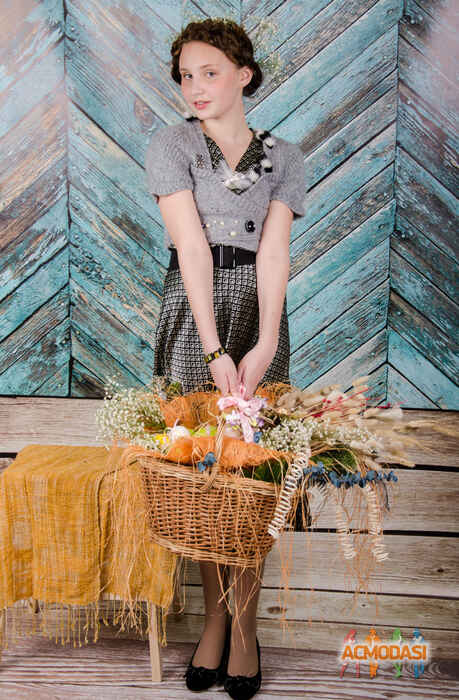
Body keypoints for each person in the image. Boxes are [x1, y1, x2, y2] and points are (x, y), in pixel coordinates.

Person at [144, 17, 306, 699]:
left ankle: (245, 625)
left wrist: (265, 341)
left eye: (209, 72)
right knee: (202, 474)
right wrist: (212, 347)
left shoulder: (285, 156)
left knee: (254, 472)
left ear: (244, 74)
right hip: (195, 308)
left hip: (258, 307)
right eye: (186, 75)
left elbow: (274, 251)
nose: (195, 86)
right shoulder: (172, 144)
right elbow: (190, 247)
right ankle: (213, 619)